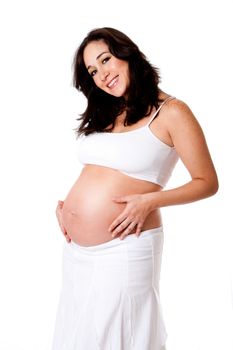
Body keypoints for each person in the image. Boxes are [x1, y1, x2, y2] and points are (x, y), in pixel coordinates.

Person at [51, 27, 218, 350]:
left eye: (106, 60)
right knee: (79, 338)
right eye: (93, 71)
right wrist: (68, 208)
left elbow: (207, 182)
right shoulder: (107, 111)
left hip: (125, 248)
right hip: (76, 254)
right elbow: (97, 171)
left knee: (121, 336)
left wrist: (149, 201)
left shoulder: (171, 112)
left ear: (128, 54)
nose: (102, 75)